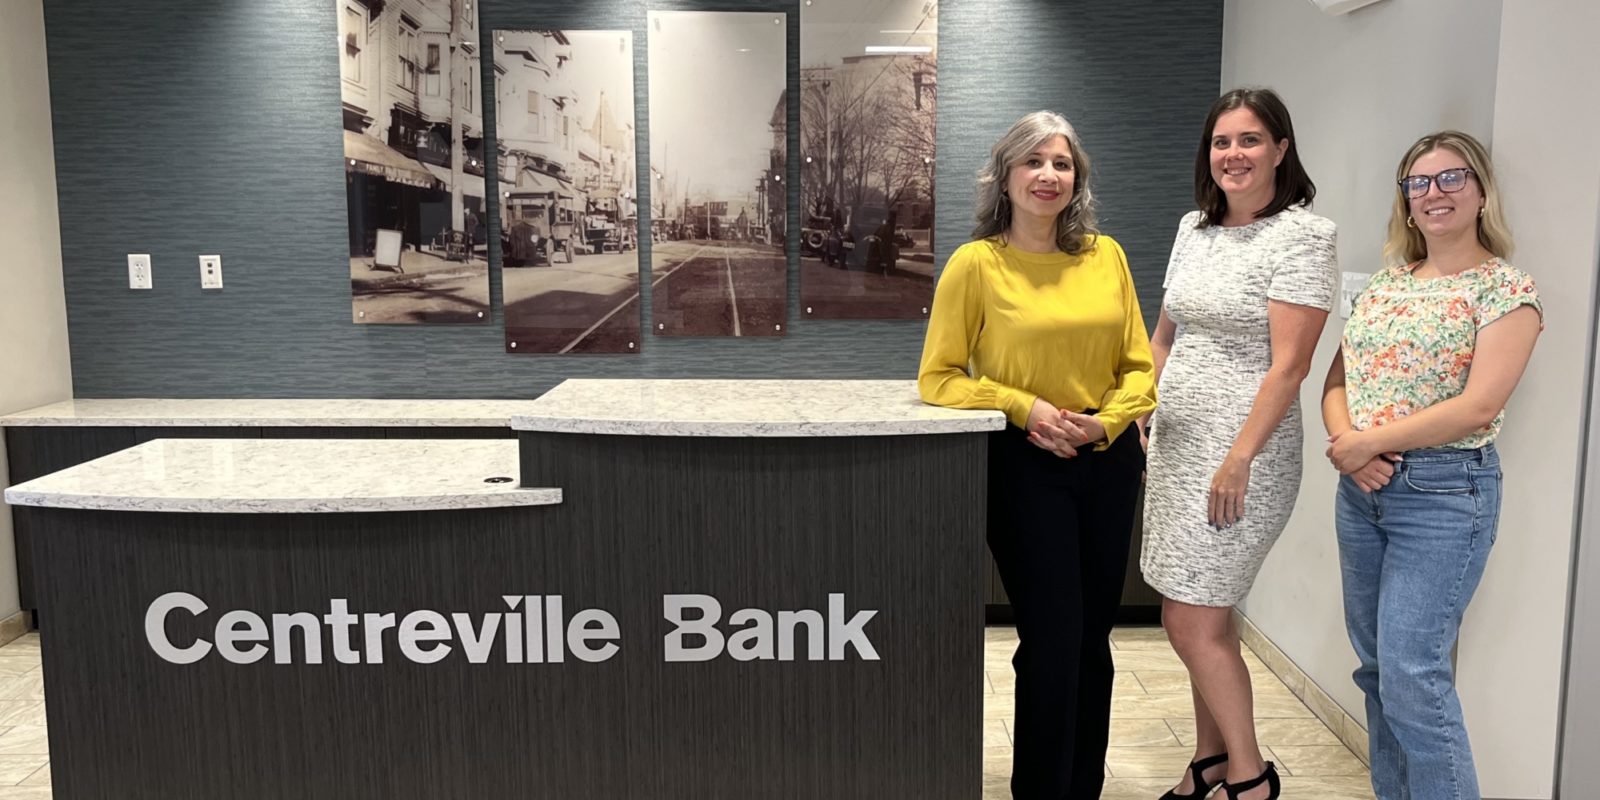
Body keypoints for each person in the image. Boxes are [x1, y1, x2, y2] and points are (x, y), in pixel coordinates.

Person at [918, 110, 1155, 799]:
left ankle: (1082, 788)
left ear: (1077, 179)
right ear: (1005, 177)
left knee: (1092, 640)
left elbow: (1139, 368)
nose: (1048, 175)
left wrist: (1103, 425)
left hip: (1107, 462)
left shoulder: (1106, 256)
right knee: (1052, 639)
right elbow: (938, 378)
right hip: (1024, 467)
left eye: (1062, 163)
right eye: (1033, 161)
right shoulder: (976, 264)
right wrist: (1025, 407)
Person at [1322, 130, 1541, 800]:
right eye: (1418, 182)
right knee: (1377, 671)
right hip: (1361, 493)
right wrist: (1347, 444)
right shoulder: (1385, 284)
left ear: (1481, 193)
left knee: (1413, 674)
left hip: (1444, 495)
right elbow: (1338, 378)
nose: (1434, 193)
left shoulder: (1506, 289)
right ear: (1406, 201)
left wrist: (1368, 444)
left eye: (1451, 178)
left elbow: (1480, 406)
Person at [1142, 87, 1337, 800]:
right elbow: (1165, 335)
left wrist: (1239, 458)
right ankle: (1209, 761)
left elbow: (1291, 367)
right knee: (1202, 613)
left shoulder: (1303, 237)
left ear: (1281, 149)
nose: (1234, 154)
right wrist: (1145, 408)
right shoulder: (1193, 228)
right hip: (1176, 446)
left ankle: (1250, 777)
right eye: (1222, 141)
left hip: (1243, 457)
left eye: (1250, 139)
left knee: (1190, 619)